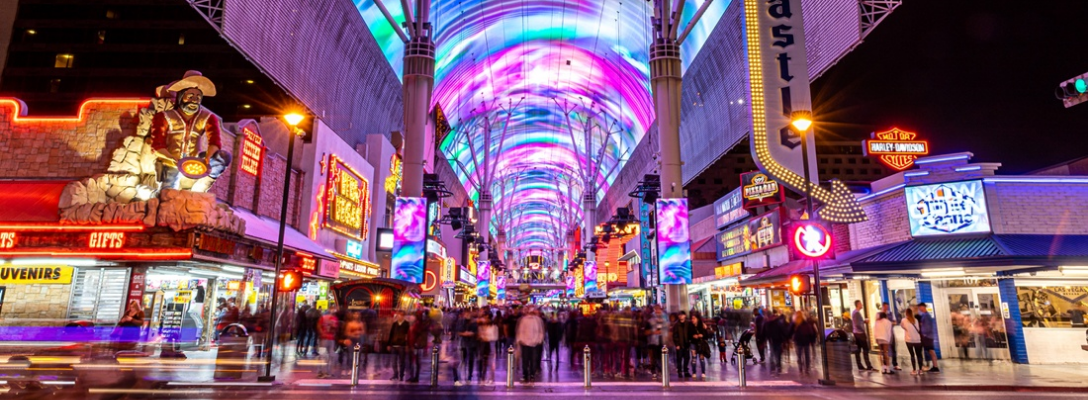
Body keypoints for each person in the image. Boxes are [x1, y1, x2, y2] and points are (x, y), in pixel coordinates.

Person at [149, 71, 232, 192]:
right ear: (182, 96)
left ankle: (199, 191)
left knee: (223, 157)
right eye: (191, 96)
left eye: (198, 97)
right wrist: (173, 159)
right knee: (168, 194)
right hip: (171, 160)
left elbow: (214, 141)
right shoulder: (164, 116)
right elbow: (157, 145)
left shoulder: (208, 118)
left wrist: (207, 159)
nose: (194, 100)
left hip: (195, 160)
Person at [516, 307, 546, 382]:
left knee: (526, 360)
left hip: (525, 342)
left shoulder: (524, 320)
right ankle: (531, 375)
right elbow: (541, 331)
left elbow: (521, 331)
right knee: (533, 360)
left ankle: (526, 375)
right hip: (534, 343)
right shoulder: (538, 320)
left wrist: (519, 340)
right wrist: (539, 340)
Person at [317, 306, 341, 378]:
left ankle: (321, 371)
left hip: (323, 339)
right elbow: (335, 329)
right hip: (331, 339)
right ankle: (327, 372)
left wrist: (322, 333)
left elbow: (318, 326)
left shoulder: (323, 318)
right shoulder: (335, 319)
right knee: (330, 355)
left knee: (322, 355)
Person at [791, 311, 818, 375]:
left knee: (799, 355)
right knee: (807, 355)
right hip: (806, 342)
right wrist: (812, 341)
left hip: (798, 342)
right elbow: (811, 332)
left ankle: (801, 368)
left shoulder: (795, 324)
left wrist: (792, 339)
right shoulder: (806, 323)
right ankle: (807, 368)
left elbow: (790, 332)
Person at [851, 300, 875, 371]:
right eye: (861, 303)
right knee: (865, 349)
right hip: (860, 333)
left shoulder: (855, 312)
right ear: (858, 304)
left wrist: (863, 321)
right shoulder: (856, 313)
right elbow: (858, 324)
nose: (862, 304)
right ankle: (868, 365)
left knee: (858, 350)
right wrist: (863, 330)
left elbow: (858, 322)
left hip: (857, 333)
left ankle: (860, 365)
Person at [901, 308, 925, 375]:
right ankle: (920, 370)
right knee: (919, 355)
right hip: (917, 340)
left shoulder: (903, 320)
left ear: (906, 313)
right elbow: (919, 328)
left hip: (909, 340)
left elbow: (903, 327)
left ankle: (914, 370)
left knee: (912, 355)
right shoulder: (916, 320)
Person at [916, 303, 940, 373]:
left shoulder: (926, 316)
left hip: (928, 337)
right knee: (930, 351)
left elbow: (927, 327)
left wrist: (924, 334)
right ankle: (935, 366)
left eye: (920, 307)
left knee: (931, 351)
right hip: (928, 336)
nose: (920, 308)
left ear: (923, 307)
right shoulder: (924, 315)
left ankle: (935, 366)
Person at [387, 312, 410, 381]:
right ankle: (395, 374)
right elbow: (391, 334)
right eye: (398, 316)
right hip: (394, 345)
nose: (399, 317)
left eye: (400, 316)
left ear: (403, 316)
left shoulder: (406, 324)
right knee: (394, 362)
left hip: (402, 345)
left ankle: (401, 375)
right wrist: (389, 344)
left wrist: (407, 345)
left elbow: (408, 335)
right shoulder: (394, 324)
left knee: (401, 362)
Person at [477, 313, 499, 385]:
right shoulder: (480, 327)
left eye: (487, 318)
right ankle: (482, 378)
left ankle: (491, 379)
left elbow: (495, 337)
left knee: (491, 362)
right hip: (483, 345)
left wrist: (487, 338)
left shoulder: (494, 327)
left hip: (490, 344)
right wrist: (483, 337)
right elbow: (479, 336)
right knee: (483, 362)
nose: (485, 320)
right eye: (484, 318)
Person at [690, 314, 711, 379]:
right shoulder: (690, 326)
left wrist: (702, 335)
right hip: (693, 343)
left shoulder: (702, 326)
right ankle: (694, 372)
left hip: (701, 344)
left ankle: (703, 372)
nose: (692, 320)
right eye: (692, 318)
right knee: (694, 358)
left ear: (697, 319)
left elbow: (706, 335)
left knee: (701, 358)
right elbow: (689, 335)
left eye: (694, 318)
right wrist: (693, 336)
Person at [671, 312, 692, 378]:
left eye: (682, 315)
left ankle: (686, 371)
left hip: (686, 344)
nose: (681, 316)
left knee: (687, 358)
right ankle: (680, 371)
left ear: (685, 316)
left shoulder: (688, 324)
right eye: (680, 315)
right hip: (679, 344)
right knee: (679, 359)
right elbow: (675, 335)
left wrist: (689, 342)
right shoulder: (676, 325)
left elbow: (690, 333)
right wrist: (677, 344)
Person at [881, 302, 901, 370]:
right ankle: (885, 365)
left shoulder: (890, 313)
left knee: (893, 348)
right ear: (883, 306)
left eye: (887, 307)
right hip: (883, 334)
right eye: (886, 307)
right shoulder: (880, 314)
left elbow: (895, 322)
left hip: (891, 333)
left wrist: (891, 323)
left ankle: (895, 364)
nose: (887, 308)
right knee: (884, 350)